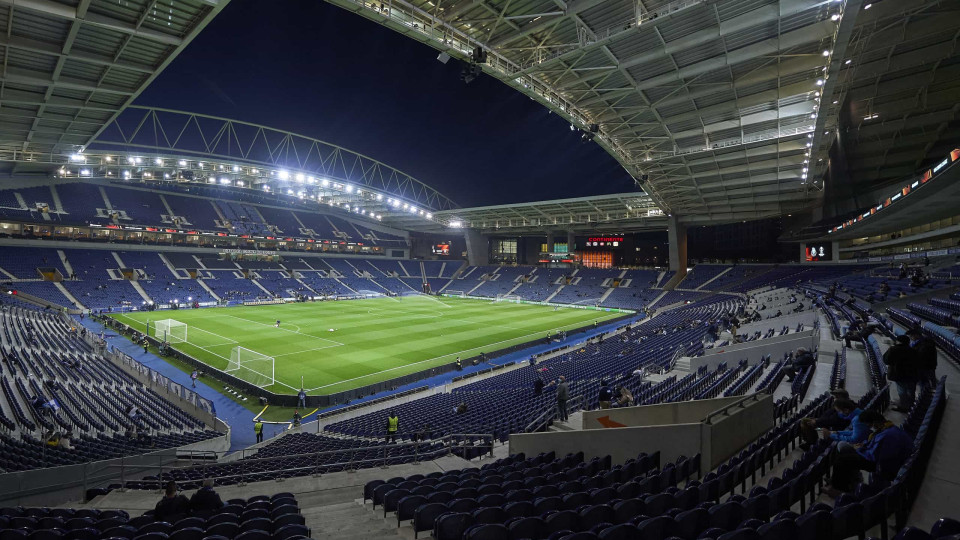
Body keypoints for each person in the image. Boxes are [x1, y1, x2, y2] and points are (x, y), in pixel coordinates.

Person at [825, 411, 913, 495]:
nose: (868, 427)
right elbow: (875, 445)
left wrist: (860, 449)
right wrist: (864, 445)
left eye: (868, 424)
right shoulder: (889, 427)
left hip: (884, 465)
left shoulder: (887, 435)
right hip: (883, 458)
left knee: (841, 460)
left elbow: (873, 455)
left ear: (874, 422)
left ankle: (839, 489)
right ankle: (845, 480)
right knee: (845, 453)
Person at [883, 334, 918, 412]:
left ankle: (905, 407)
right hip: (912, 374)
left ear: (898, 341)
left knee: (902, 391)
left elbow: (886, 360)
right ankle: (911, 405)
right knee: (911, 390)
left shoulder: (893, 349)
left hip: (898, 374)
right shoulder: (913, 350)